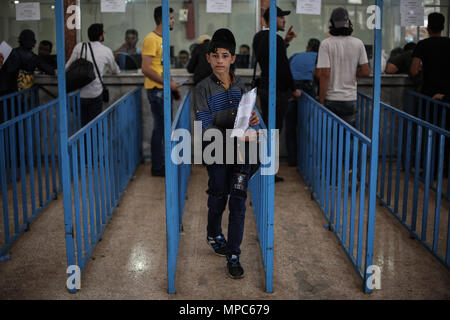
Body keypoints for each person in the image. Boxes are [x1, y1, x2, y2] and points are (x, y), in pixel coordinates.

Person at [193, 28, 260, 279]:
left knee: (239, 202)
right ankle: (213, 232)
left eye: (225, 56)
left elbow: (245, 116)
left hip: (241, 153)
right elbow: (205, 127)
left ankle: (234, 254)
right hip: (217, 152)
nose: (220, 60)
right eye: (215, 56)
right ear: (208, 58)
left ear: (233, 59)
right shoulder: (202, 89)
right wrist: (234, 131)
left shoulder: (241, 84)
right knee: (219, 195)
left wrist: (251, 117)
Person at [252, 6, 301, 182]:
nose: (284, 21)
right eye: (281, 17)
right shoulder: (275, 40)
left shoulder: (259, 37)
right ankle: (269, 170)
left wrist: (285, 42)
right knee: (274, 131)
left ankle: (263, 167)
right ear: (273, 19)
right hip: (276, 91)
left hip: (264, 88)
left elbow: (270, 59)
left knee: (266, 129)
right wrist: (294, 88)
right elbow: (282, 67)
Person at [142, 6, 180, 177]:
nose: (173, 21)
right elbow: (146, 69)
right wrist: (168, 84)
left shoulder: (162, 39)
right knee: (160, 128)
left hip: (162, 89)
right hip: (156, 91)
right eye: (171, 18)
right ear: (163, 20)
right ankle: (157, 167)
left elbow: (161, 67)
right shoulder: (151, 39)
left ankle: (160, 164)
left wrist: (171, 84)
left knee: (163, 128)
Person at [316, 7, 370, 128]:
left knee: (329, 136)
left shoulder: (326, 44)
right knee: (347, 136)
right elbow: (366, 71)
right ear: (349, 24)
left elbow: (324, 74)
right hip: (350, 99)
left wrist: (321, 101)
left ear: (331, 25)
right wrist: (356, 73)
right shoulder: (358, 43)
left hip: (331, 98)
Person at [66, 23, 119, 126]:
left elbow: (67, 66)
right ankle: (92, 141)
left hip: (79, 94)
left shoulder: (79, 47)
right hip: (96, 94)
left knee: (82, 125)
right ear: (101, 36)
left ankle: (84, 142)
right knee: (94, 125)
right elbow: (115, 70)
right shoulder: (106, 51)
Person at [285, 38, 320, 166]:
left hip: (292, 87)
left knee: (290, 125)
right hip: (307, 86)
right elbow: (320, 75)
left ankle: (292, 160)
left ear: (307, 47)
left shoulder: (296, 55)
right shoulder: (319, 57)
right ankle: (307, 159)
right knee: (308, 125)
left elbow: (286, 71)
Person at [0, 29, 55, 97]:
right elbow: (50, 71)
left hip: (4, 94)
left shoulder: (9, 53)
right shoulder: (34, 58)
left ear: (20, 41)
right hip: (19, 96)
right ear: (34, 43)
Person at [411, 12, 450, 98]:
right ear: (443, 27)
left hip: (428, 93)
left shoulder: (422, 45)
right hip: (446, 95)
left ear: (428, 28)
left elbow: (414, 71)